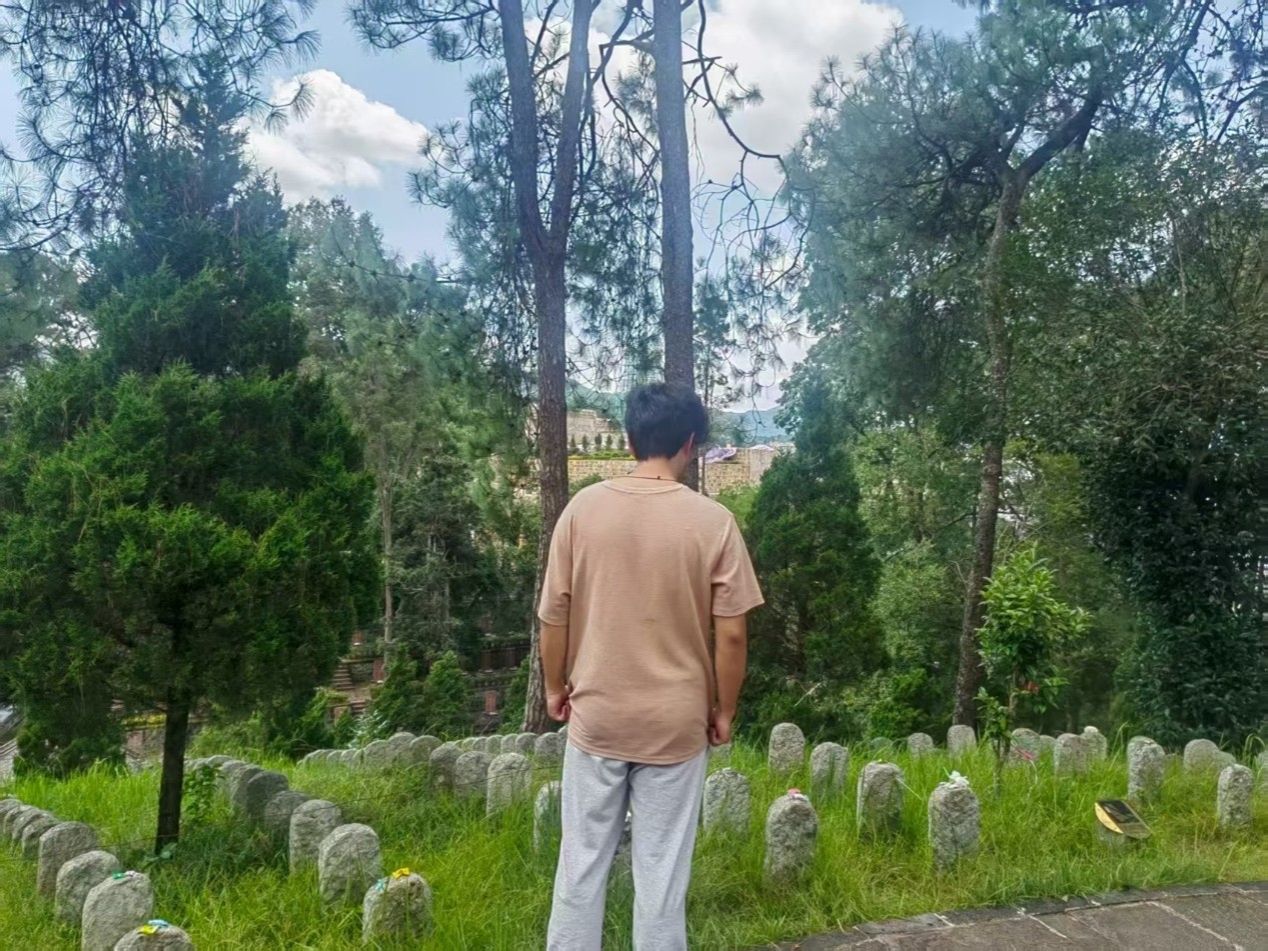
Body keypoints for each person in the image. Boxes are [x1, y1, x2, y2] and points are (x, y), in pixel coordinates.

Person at [538, 382, 764, 950]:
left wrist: (554, 687)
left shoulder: (581, 510)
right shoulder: (714, 522)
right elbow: (733, 633)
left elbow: (553, 615)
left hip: (598, 716)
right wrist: (725, 711)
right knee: (662, 878)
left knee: (580, 865)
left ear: (631, 439)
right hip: (676, 723)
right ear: (690, 443)